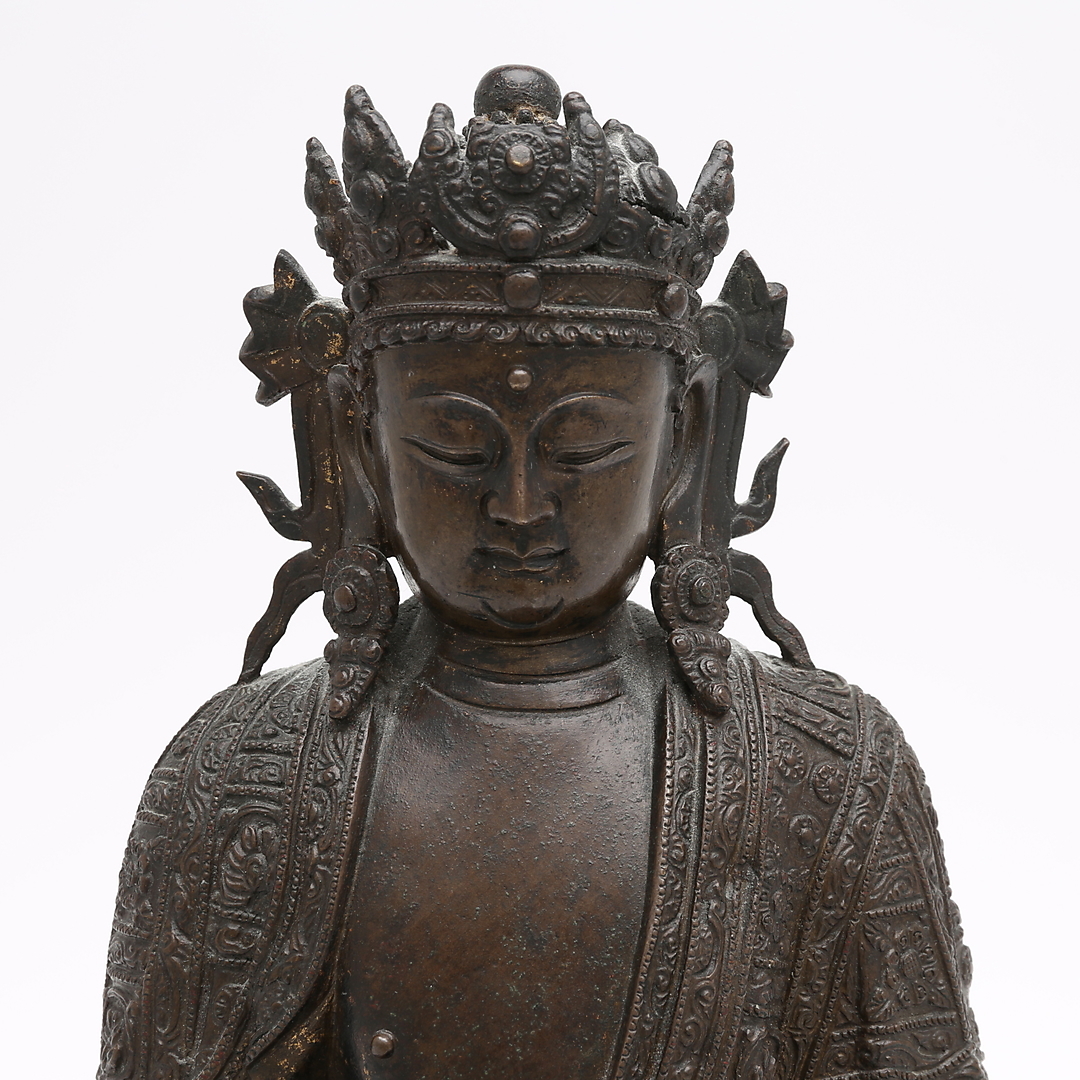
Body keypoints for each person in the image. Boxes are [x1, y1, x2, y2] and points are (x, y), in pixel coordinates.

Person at [99, 66, 985, 1080]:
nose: (519, 506)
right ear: (362, 442)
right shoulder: (238, 777)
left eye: (581, 448)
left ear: (685, 437)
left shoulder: (824, 773)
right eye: (454, 447)